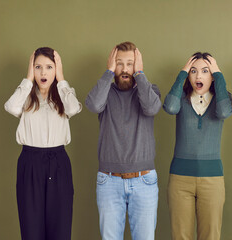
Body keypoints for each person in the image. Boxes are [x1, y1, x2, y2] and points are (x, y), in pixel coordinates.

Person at [85, 41, 161, 240]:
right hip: (108, 180)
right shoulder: (105, 93)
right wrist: (108, 72)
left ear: (138, 65)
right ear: (112, 64)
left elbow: (152, 108)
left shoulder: (149, 91)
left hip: (144, 180)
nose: (125, 69)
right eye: (120, 63)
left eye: (130, 63)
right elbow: (92, 105)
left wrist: (140, 74)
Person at [4, 47, 82, 240]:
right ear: (32, 69)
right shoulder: (25, 97)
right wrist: (28, 79)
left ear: (56, 69)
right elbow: (10, 107)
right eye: (38, 67)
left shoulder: (64, 96)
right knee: (31, 228)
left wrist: (62, 78)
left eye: (49, 67)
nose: (43, 72)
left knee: (60, 227)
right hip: (30, 162)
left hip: (58, 163)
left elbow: (74, 108)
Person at [163, 52, 232, 240]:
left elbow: (225, 112)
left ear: (212, 76)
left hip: (212, 181)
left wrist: (218, 73)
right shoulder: (180, 100)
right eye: (193, 71)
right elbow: (169, 107)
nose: (198, 76)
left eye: (205, 71)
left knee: (210, 236)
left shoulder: (222, 100)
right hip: (180, 180)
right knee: (180, 236)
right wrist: (182, 73)